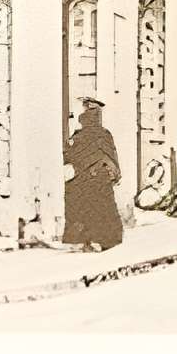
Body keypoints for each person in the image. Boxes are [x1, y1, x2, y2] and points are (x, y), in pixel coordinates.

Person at [62, 99, 124, 250]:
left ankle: (86, 241)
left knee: (85, 209)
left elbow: (70, 156)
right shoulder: (104, 134)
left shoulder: (79, 137)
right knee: (100, 208)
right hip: (98, 179)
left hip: (85, 180)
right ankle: (104, 240)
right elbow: (111, 155)